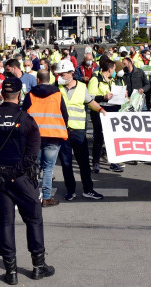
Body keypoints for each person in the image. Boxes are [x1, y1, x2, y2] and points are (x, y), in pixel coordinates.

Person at [0, 77, 54, 284]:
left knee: (6, 223)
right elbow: (32, 155)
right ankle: (38, 266)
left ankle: (11, 273)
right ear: (20, 95)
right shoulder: (26, 120)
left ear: (2, 94)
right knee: (34, 218)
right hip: (20, 179)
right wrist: (13, 173)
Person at [55, 60, 105, 200]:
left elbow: (90, 102)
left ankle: (88, 189)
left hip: (78, 132)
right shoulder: (56, 87)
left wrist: (101, 110)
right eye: (59, 74)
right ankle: (70, 191)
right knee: (66, 164)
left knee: (83, 163)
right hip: (62, 131)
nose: (60, 76)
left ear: (71, 74)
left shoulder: (82, 87)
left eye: (62, 74)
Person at [22, 70, 68, 206]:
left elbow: (24, 115)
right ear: (50, 79)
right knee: (48, 168)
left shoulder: (30, 95)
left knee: (34, 168)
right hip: (53, 135)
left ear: (37, 80)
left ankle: (33, 196)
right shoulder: (58, 95)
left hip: (34, 136)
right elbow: (65, 115)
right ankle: (46, 197)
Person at [87, 58, 124, 172]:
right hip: (99, 111)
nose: (115, 71)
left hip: (112, 111)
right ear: (109, 69)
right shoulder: (95, 79)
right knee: (99, 137)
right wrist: (103, 97)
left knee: (112, 138)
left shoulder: (112, 80)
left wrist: (123, 94)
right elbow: (90, 98)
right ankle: (96, 162)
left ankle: (113, 162)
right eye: (114, 69)